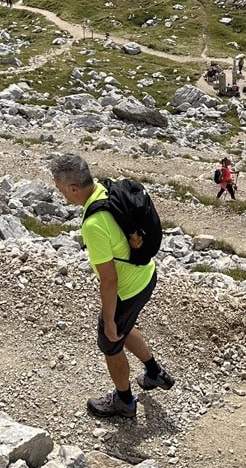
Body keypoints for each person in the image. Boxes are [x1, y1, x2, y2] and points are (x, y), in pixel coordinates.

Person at [49, 153, 174, 420]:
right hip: (146, 276)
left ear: (73, 188)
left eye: (60, 189)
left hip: (126, 289)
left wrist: (107, 319)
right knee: (124, 328)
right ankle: (154, 373)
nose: (60, 194)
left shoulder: (94, 224)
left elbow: (109, 280)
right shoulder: (107, 187)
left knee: (112, 342)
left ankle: (125, 402)